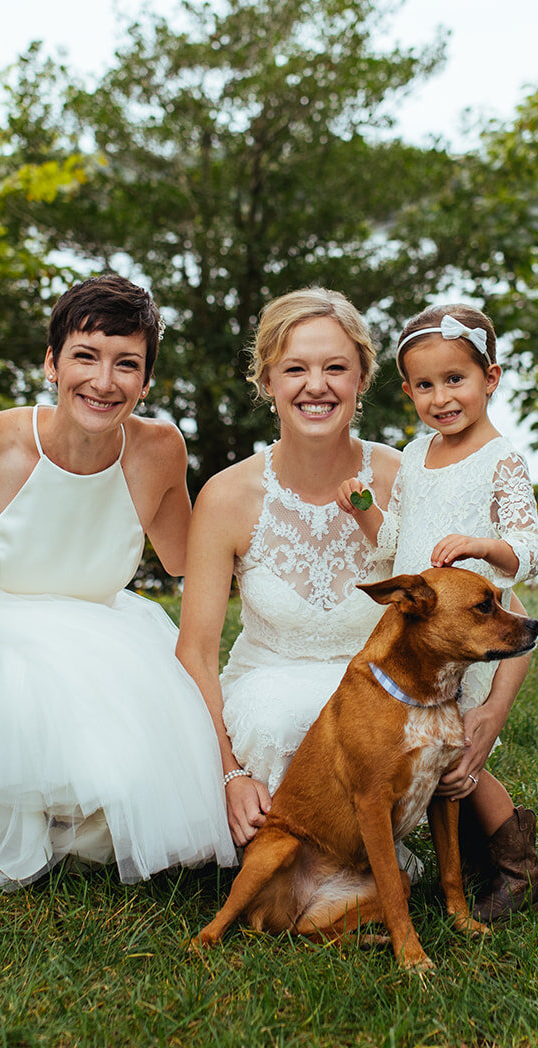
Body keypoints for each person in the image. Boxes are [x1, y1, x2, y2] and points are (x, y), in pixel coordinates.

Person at [0, 275, 235, 887]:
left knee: (142, 791)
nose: (104, 382)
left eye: (126, 364)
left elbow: (190, 557)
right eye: (86, 357)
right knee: (4, 758)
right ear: (52, 363)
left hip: (108, 637)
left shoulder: (159, 448)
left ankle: (78, 807)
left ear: (147, 378)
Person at [175, 288, 411, 858]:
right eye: (295, 369)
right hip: (268, 687)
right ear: (267, 381)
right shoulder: (228, 495)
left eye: (336, 368)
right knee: (287, 718)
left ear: (361, 379)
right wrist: (229, 775)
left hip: (377, 689)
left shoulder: (404, 477)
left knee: (370, 728)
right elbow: (196, 652)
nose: (316, 386)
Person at [336, 302, 538, 921]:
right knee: (428, 743)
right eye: (425, 386)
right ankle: (465, 855)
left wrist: (485, 548)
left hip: (473, 629)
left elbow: (533, 547)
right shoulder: (414, 454)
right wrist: (364, 510)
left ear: (491, 378)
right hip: (423, 633)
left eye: (455, 380)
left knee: (456, 752)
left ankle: (515, 866)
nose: (441, 398)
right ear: (407, 391)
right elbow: (395, 540)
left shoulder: (501, 460)